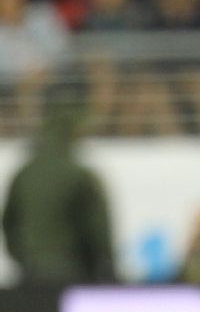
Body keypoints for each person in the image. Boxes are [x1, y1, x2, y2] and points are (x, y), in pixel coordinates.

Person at [2, 104, 115, 285]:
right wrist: (107, 269)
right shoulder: (80, 175)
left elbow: (9, 222)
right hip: (73, 271)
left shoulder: (24, 174)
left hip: (30, 272)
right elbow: (98, 230)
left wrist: (22, 256)